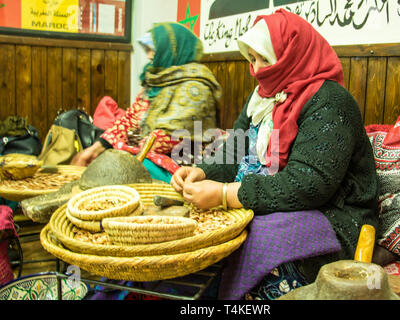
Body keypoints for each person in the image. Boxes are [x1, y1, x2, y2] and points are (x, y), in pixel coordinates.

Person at [171, 9, 379, 300]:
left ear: (292, 55)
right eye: (252, 60)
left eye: (264, 59)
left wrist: (224, 195)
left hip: (332, 215)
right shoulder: (262, 97)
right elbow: (236, 147)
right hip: (265, 200)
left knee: (256, 239)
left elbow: (309, 185)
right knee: (198, 229)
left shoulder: (330, 102)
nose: (256, 70)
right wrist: (203, 173)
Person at [71, 22, 222, 183]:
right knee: (108, 163)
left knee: (125, 171)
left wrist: (121, 153)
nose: (149, 56)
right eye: (148, 50)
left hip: (187, 163)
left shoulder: (197, 88)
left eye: (153, 50)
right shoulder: (156, 80)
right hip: (147, 152)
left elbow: (168, 137)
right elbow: (131, 118)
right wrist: (96, 148)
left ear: (171, 50)